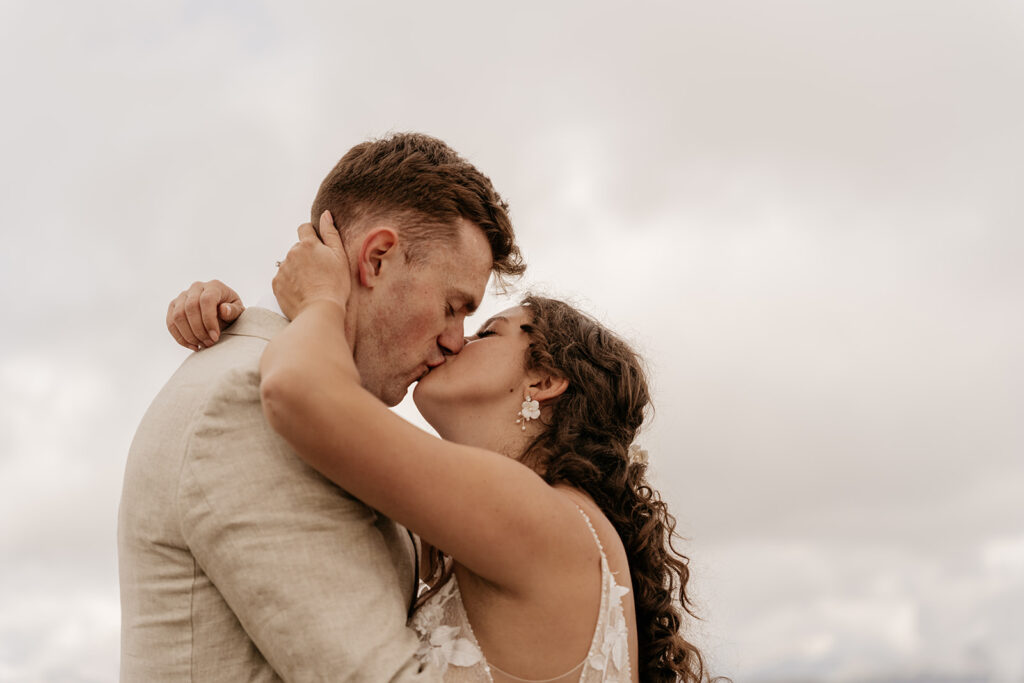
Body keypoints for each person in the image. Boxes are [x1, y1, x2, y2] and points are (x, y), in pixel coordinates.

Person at [168, 221, 714, 682]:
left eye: (487, 333)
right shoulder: (511, 525)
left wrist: (318, 301)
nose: (456, 340)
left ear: (544, 379)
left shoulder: (539, 516)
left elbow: (301, 395)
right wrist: (243, 322)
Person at [118, 132, 524, 681]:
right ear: (378, 259)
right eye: (453, 307)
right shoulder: (247, 403)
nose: (456, 340)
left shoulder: (319, 407)